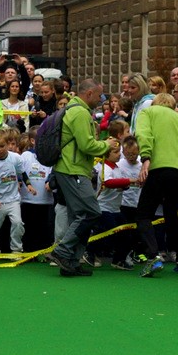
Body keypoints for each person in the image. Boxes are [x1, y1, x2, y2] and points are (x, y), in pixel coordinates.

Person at [51, 80, 115, 277]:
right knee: (90, 212)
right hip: (74, 169)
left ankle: (70, 262)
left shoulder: (74, 110)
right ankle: (63, 251)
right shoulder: (80, 113)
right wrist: (106, 145)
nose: (101, 99)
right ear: (89, 94)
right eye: (99, 95)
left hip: (69, 168)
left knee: (77, 216)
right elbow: (86, 145)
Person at [134, 92, 178, 275]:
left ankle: (153, 256)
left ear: (154, 103)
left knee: (144, 214)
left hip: (159, 167)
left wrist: (145, 157)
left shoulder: (148, 112)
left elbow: (144, 134)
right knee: (172, 215)